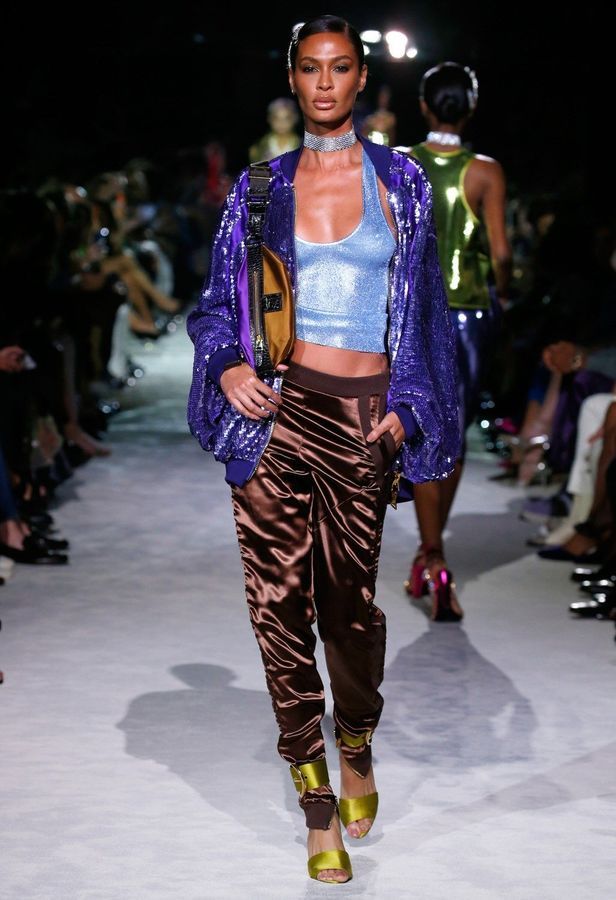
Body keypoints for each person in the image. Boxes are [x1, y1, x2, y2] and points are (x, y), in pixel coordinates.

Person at [187, 16, 459, 885]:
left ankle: (357, 740)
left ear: (361, 78)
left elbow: (426, 313)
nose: (326, 83)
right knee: (278, 606)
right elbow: (214, 305)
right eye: (311, 68)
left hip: (362, 419)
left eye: (341, 68)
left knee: (349, 610)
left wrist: (410, 407)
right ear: (294, 78)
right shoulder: (260, 188)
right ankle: (314, 801)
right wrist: (229, 365)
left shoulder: (402, 183)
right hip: (277, 412)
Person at [399, 62, 512, 617]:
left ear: (424, 106)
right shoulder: (485, 171)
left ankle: (432, 556)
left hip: (416, 313)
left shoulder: (402, 162)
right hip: (468, 316)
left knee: (423, 430)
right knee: (455, 435)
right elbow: (501, 252)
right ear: (470, 108)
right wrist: (504, 291)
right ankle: (434, 558)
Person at [248, 97, 301, 163]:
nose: (281, 123)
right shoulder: (258, 148)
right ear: (269, 119)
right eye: (276, 118)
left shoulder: (303, 147)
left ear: (295, 118)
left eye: (287, 118)